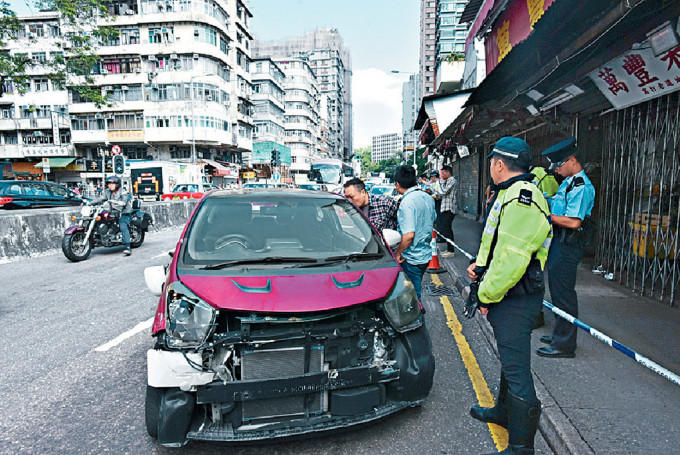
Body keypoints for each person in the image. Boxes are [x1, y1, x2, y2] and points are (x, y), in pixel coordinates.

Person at [465, 137, 552, 455]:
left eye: (491, 162)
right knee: (509, 359)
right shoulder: (511, 193)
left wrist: (485, 296)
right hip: (508, 292)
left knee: (517, 368)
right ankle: (503, 413)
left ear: (499, 164)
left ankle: (521, 447)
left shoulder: (521, 198)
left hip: (515, 297)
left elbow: (513, 259)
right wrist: (480, 265)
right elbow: (501, 245)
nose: (490, 167)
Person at [537, 137, 595, 359]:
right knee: (557, 289)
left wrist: (546, 216)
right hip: (559, 241)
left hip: (569, 242)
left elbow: (573, 221)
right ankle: (559, 333)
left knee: (564, 293)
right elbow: (557, 204)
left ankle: (564, 345)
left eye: (559, 165)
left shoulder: (581, 186)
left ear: (572, 160)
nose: (557, 170)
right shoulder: (568, 182)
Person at [393, 165, 436, 302]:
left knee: (412, 298)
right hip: (425, 254)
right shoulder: (427, 197)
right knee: (414, 292)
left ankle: (418, 321)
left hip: (411, 258)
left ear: (398, 184)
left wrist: (398, 253)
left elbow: (409, 235)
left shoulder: (407, 202)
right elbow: (432, 219)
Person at [528, 165, 559, 329]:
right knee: (539, 273)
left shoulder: (532, 178)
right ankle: (537, 314)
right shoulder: (550, 179)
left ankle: (535, 315)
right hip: (549, 231)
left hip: (536, 230)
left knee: (533, 275)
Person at [90, 176, 133, 256]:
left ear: (117, 184)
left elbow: (125, 199)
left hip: (124, 213)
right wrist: (90, 203)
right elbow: (101, 198)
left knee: (123, 225)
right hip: (113, 212)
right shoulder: (108, 192)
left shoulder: (122, 191)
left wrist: (122, 202)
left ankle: (127, 247)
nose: (110, 185)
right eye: (109, 184)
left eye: (112, 184)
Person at [435, 165, 457, 257]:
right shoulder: (447, 181)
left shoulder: (452, 180)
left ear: (448, 172)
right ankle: (448, 249)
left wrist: (438, 184)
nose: (442, 175)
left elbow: (443, 192)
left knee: (448, 230)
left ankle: (451, 251)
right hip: (444, 208)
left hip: (449, 208)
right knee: (445, 229)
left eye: (443, 172)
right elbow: (441, 195)